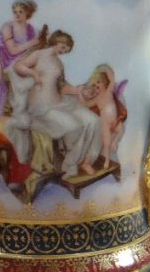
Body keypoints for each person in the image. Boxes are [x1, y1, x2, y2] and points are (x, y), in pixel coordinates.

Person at [14, 30, 100, 178]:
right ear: (57, 40)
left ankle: (85, 161)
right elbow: (18, 66)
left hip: (61, 102)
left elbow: (61, 86)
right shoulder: (39, 55)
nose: (63, 51)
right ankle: (70, 165)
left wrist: (78, 90)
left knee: (94, 120)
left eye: (66, 50)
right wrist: (34, 74)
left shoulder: (59, 63)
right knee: (74, 126)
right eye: (63, 47)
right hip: (42, 106)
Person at [0, 0, 47, 116]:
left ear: (27, 13)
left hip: (23, 58)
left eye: (21, 12)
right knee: (20, 69)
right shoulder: (7, 27)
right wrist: (32, 43)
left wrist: (42, 41)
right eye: (15, 12)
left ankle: (36, 103)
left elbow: (37, 46)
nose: (17, 14)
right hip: (5, 59)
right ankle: (16, 107)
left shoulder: (31, 29)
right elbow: (12, 50)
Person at [79, 64, 127, 169]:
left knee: (121, 128)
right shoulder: (97, 99)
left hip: (114, 121)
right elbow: (86, 105)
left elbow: (111, 77)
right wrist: (80, 94)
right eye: (95, 86)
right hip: (105, 124)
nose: (97, 86)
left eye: (98, 82)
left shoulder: (108, 92)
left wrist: (104, 68)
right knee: (106, 144)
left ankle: (115, 142)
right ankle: (107, 160)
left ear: (105, 82)